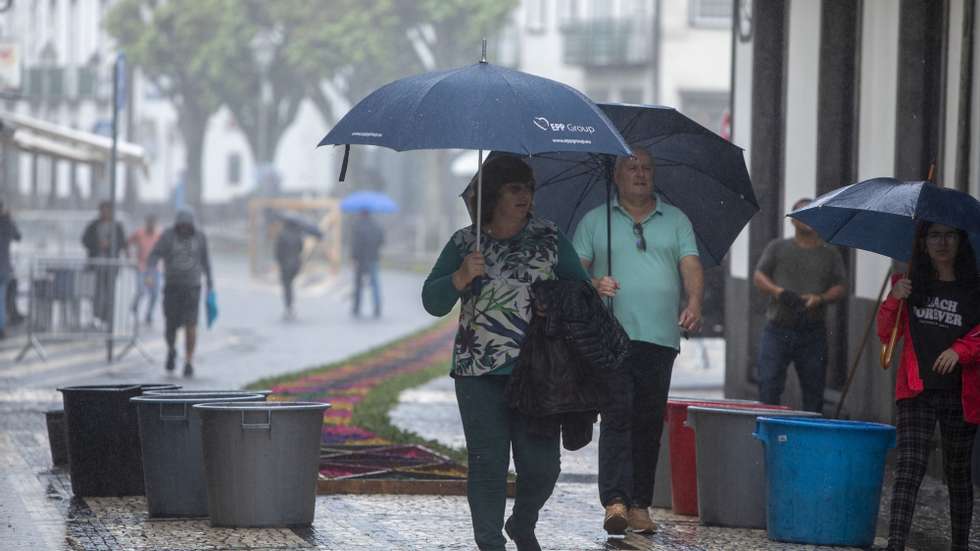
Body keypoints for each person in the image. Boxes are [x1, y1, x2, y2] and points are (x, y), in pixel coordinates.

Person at [422, 156, 590, 551]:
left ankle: (523, 522)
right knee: (486, 464)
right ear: (493, 194)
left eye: (528, 188)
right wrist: (461, 277)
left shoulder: (550, 238)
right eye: (515, 188)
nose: (525, 195)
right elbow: (431, 300)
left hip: (539, 373)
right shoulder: (466, 242)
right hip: (477, 371)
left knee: (542, 467)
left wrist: (558, 303)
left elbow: (580, 294)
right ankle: (489, 542)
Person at [572, 147, 704, 535]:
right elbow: (575, 271)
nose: (641, 174)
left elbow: (691, 264)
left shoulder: (676, 220)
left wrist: (694, 301)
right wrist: (594, 283)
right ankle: (614, 500)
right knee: (617, 415)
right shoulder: (596, 221)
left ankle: (639, 504)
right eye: (632, 168)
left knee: (648, 421)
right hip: (612, 338)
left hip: (661, 338)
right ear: (616, 176)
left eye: (647, 167)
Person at [879, 222, 980, 551]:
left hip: (960, 392)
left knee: (957, 472)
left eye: (950, 234)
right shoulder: (907, 283)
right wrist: (894, 300)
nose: (942, 242)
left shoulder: (974, 288)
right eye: (934, 235)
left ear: (960, 241)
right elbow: (885, 333)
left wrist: (959, 350)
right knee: (909, 466)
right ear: (922, 242)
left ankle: (960, 545)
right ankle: (895, 544)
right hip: (916, 388)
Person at [753, 198, 847, 413]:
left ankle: (810, 438)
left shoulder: (829, 253)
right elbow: (759, 276)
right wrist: (779, 292)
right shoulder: (778, 247)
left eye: (812, 213)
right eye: (801, 213)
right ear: (792, 220)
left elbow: (841, 286)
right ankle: (766, 433)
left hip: (812, 331)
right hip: (777, 328)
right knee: (768, 385)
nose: (807, 219)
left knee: (814, 391)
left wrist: (820, 298)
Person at [147, 209, 213, 377]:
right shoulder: (168, 236)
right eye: (181, 226)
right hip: (172, 288)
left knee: (191, 324)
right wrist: (150, 272)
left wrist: (210, 284)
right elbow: (154, 254)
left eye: (187, 226)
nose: (184, 229)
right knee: (171, 325)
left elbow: (206, 261)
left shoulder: (200, 237)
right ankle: (171, 350)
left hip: (192, 288)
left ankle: (189, 360)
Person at [81, 201, 127, 325]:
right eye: (103, 210)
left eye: (108, 210)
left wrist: (110, 245)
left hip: (111, 265)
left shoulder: (117, 226)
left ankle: (107, 316)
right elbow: (85, 240)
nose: (105, 212)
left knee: (109, 291)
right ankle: (97, 314)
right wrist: (97, 245)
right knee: (96, 291)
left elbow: (122, 242)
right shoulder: (93, 225)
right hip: (95, 264)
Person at [128, 214, 162, 325]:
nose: (151, 226)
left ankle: (149, 314)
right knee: (141, 290)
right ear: (146, 223)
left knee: (154, 293)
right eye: (149, 223)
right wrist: (130, 257)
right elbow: (127, 243)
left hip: (153, 269)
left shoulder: (158, 235)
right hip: (142, 267)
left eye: (153, 223)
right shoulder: (139, 233)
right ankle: (134, 308)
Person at [350, 209, 384, 318]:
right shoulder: (376, 226)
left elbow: (356, 244)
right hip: (373, 258)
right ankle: (377, 306)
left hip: (360, 259)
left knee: (358, 285)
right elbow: (382, 240)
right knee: (375, 284)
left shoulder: (357, 226)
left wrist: (354, 258)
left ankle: (356, 307)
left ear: (361, 214)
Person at [275, 220, 304, 320]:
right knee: (290, 285)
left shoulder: (282, 235)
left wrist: (280, 262)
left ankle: (288, 306)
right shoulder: (298, 235)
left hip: (285, 265)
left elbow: (278, 251)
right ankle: (290, 306)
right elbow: (301, 249)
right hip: (296, 264)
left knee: (286, 286)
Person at [0, 200, 21, 339]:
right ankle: (2, 328)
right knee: (1, 299)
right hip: (4, 267)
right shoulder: (7, 222)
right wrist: (9, 217)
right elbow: (18, 237)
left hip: (3, 268)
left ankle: (2, 328)